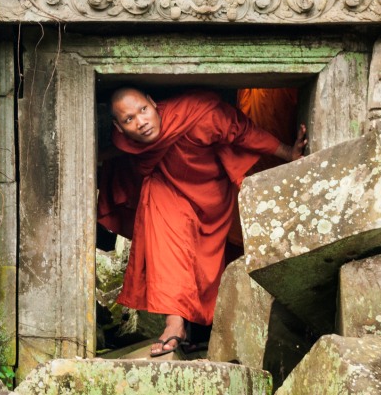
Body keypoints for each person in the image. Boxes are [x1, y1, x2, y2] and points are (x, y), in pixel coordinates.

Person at [97, 87, 307, 357]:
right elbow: (113, 157)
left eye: (143, 110)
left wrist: (288, 152)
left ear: (153, 102)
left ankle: (205, 330)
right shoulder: (124, 141)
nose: (141, 122)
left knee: (211, 259)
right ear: (119, 126)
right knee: (167, 246)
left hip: (210, 189)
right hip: (169, 188)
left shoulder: (197, 113)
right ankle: (174, 323)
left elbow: (244, 131)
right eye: (129, 120)